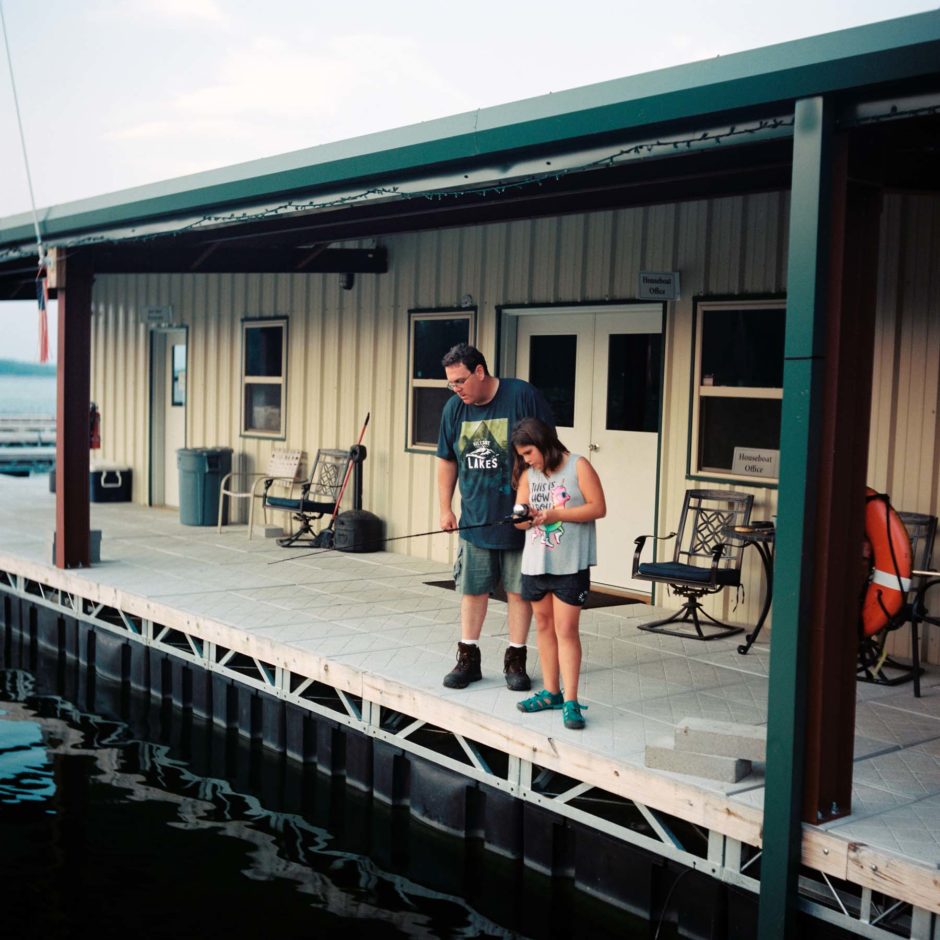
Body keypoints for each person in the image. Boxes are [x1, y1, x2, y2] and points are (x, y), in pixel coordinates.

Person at [437, 343, 554, 691]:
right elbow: (447, 459)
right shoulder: (454, 409)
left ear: (480, 371)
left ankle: (515, 661)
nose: (457, 389)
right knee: (473, 590)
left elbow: (547, 453)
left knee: (519, 592)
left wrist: (533, 504)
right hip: (475, 518)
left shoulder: (522, 396)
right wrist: (446, 507)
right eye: (451, 384)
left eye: (460, 381)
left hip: (520, 519)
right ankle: (467, 658)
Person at [510, 417, 606, 730]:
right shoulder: (528, 475)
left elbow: (598, 508)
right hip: (536, 564)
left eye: (529, 453)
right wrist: (523, 519)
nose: (526, 460)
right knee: (544, 626)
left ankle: (571, 701)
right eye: (522, 455)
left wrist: (555, 514)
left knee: (566, 630)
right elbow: (519, 516)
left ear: (544, 443)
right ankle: (551, 692)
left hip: (570, 565)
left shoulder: (578, 465)